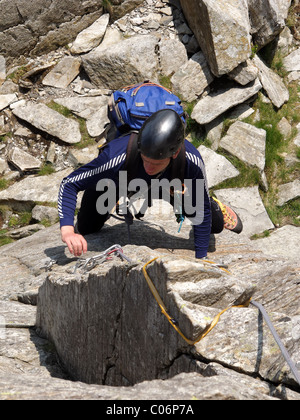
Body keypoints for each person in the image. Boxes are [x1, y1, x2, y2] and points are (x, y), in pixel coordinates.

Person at [58, 109, 242, 258]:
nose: (148, 167)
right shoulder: (116, 156)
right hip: (121, 182)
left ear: (175, 153)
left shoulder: (191, 161)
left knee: (213, 226)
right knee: (87, 228)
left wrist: (201, 259)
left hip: (171, 187)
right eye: (145, 160)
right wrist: (67, 230)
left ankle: (215, 204)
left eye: (155, 163)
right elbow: (69, 184)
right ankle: (112, 199)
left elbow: (201, 212)